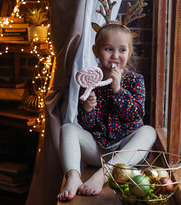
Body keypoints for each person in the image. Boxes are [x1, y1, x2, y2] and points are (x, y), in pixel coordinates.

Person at [57, 22, 157, 201]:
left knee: (149, 132)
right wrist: (87, 109)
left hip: (126, 153)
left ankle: (103, 175)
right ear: (96, 51)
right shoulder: (90, 81)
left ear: (130, 53)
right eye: (109, 49)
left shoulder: (135, 81)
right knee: (67, 128)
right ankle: (72, 176)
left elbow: (135, 115)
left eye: (122, 50)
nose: (115, 56)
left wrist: (118, 90)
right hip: (98, 150)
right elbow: (86, 125)